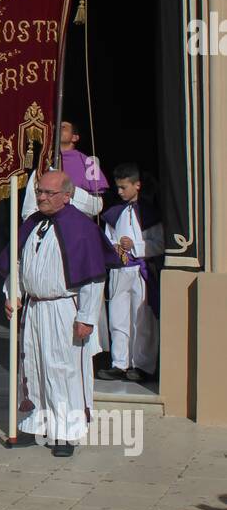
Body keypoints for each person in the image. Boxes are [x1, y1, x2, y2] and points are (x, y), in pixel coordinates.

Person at [0, 170, 118, 458]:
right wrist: (12, 292)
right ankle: (36, 423)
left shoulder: (81, 228)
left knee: (62, 369)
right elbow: (16, 261)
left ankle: (65, 432)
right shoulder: (31, 224)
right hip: (35, 306)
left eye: (49, 193)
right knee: (33, 366)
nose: (41, 197)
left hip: (64, 308)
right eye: (39, 191)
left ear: (67, 196)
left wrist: (87, 317)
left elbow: (93, 276)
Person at [97, 163, 164, 383]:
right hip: (120, 270)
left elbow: (159, 243)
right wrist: (116, 247)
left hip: (140, 270)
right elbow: (108, 240)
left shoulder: (150, 213)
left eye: (124, 187)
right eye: (117, 187)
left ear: (137, 185)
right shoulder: (114, 213)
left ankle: (142, 364)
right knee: (118, 316)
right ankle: (119, 362)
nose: (119, 192)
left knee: (141, 318)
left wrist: (134, 245)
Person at [21, 118, 108, 220]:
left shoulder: (89, 163)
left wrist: (70, 189)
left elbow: (96, 206)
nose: (57, 129)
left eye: (63, 127)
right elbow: (29, 209)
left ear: (75, 137)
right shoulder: (43, 166)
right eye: (55, 128)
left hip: (76, 226)